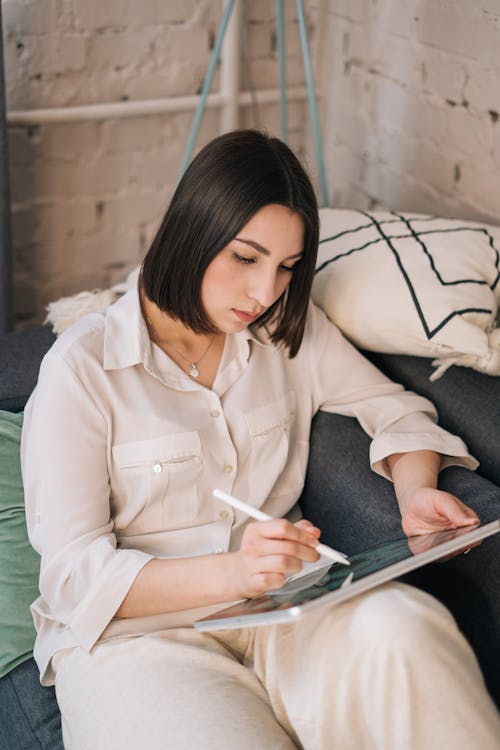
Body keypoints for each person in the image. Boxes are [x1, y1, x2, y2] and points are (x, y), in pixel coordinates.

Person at [21, 129, 500, 750]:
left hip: (287, 611)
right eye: (246, 259)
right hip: (138, 641)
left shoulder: (284, 334)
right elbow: (74, 577)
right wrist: (235, 571)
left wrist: (414, 491)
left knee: (408, 629)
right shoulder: (80, 371)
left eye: (287, 268)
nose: (265, 292)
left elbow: (395, 408)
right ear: (190, 231)